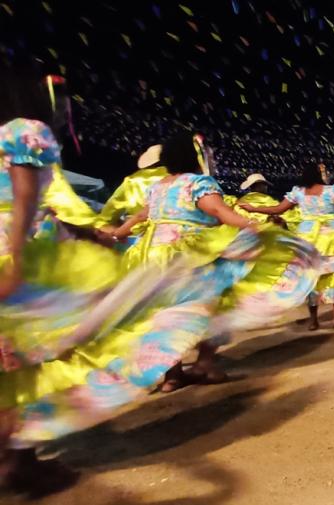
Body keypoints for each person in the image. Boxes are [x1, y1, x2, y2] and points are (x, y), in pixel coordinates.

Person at [0, 73, 219, 496]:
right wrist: (22, 260)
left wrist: (93, 235)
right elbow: (28, 193)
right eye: (61, 99)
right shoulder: (26, 131)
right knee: (111, 325)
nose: (65, 109)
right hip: (29, 257)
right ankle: (16, 460)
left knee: (15, 366)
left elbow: (50, 206)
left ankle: (19, 461)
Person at [115, 133, 320, 391]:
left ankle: (172, 376)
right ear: (194, 157)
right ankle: (205, 364)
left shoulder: (158, 186)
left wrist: (117, 233)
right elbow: (218, 211)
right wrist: (252, 226)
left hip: (153, 256)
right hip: (190, 254)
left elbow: (140, 217)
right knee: (216, 305)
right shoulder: (197, 183)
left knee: (164, 314)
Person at [240, 165, 334, 330]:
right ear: (319, 176)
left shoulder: (298, 192)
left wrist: (254, 209)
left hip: (308, 238)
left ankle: (313, 320)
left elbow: (278, 209)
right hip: (331, 237)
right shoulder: (330, 191)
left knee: (310, 277)